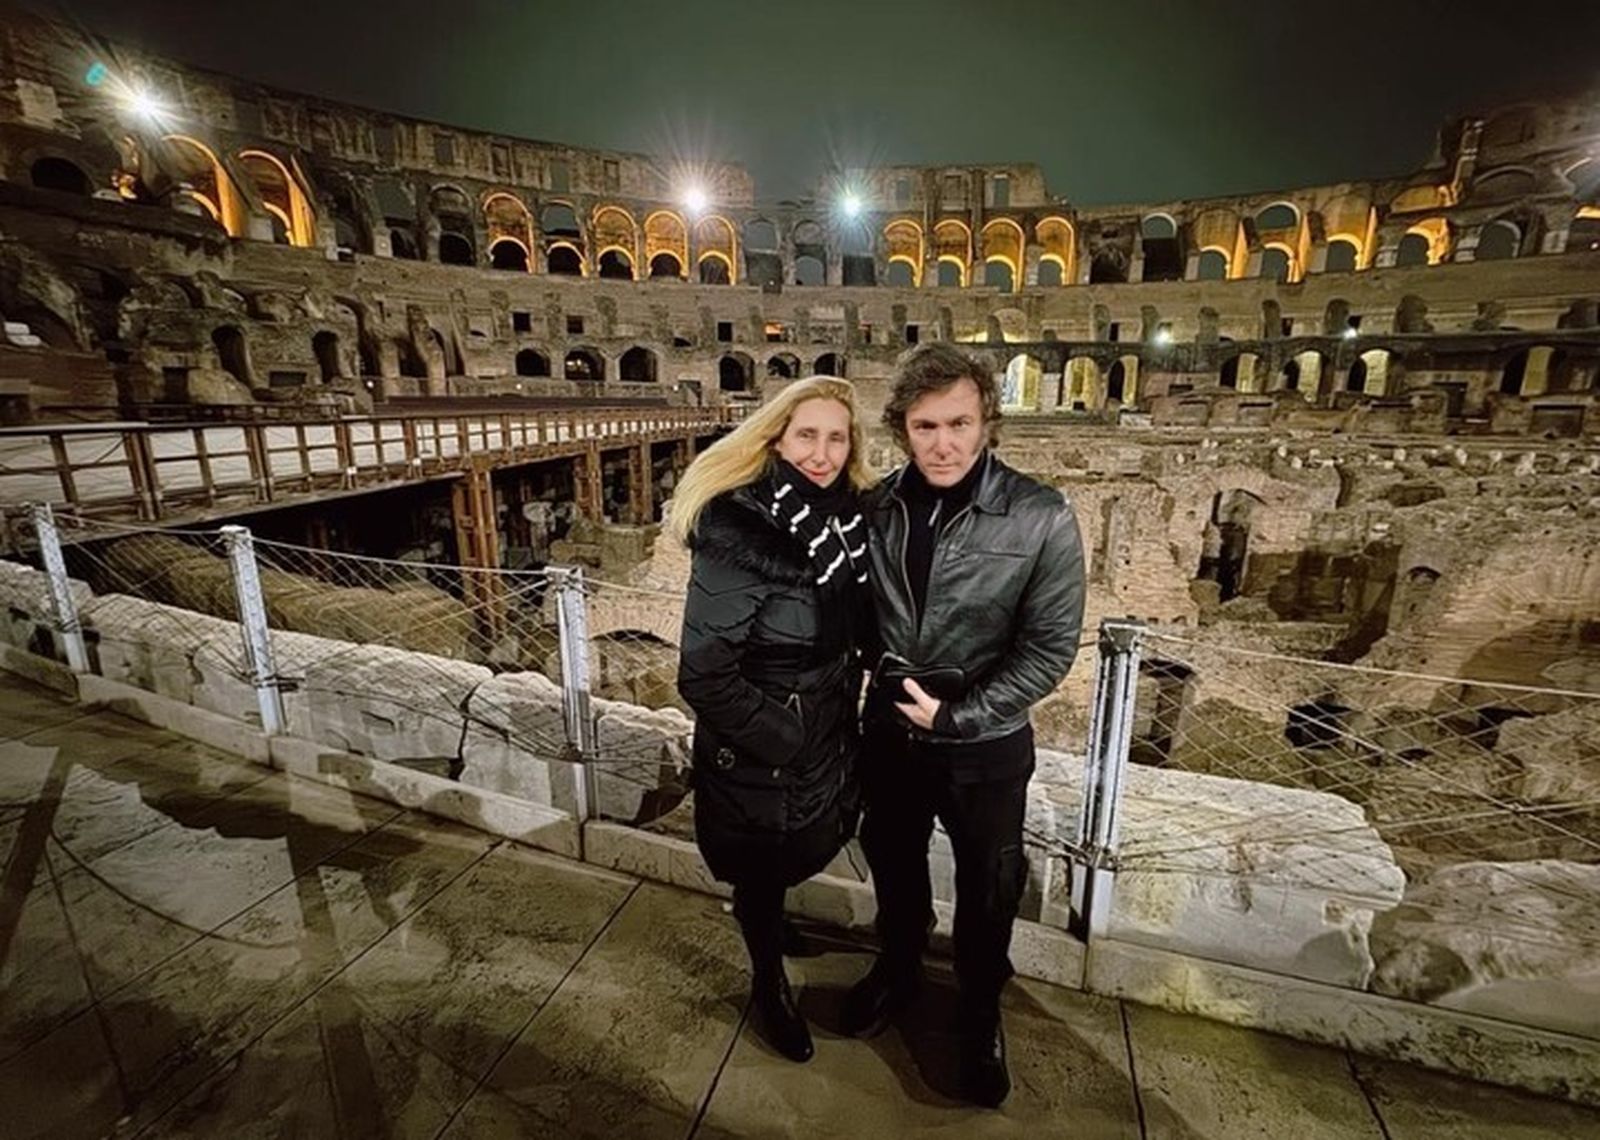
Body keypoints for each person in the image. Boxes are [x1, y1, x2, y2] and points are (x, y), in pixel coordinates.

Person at [844, 342, 1086, 1107]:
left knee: (989, 884)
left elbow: (1049, 648)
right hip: (891, 732)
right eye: (925, 426)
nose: (943, 443)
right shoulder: (876, 507)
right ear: (901, 429)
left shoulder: (1040, 514)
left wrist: (957, 716)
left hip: (984, 744)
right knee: (892, 861)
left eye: (959, 423)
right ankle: (899, 968)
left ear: (987, 424)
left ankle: (980, 1010)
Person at [671, 375, 875, 1063]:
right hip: (763, 740)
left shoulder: (848, 521)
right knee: (760, 865)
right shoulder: (741, 531)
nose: (821, 453)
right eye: (806, 435)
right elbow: (703, 673)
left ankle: (770, 921)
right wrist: (786, 736)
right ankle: (768, 982)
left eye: (836, 438)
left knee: (792, 849)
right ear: (776, 438)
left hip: (824, 725)